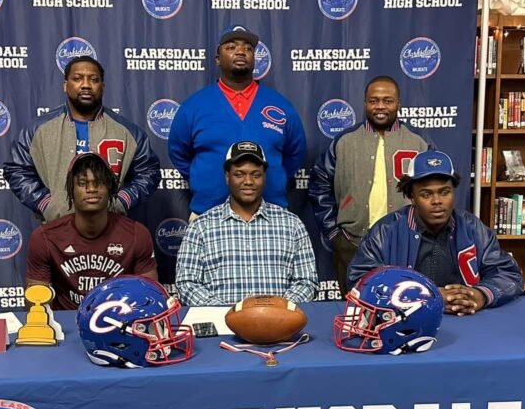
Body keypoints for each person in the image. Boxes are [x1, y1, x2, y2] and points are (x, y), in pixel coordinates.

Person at [348, 150, 523, 315]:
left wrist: (481, 295)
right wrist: (426, 296)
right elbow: (360, 281)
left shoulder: (473, 228)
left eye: (444, 192)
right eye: (426, 194)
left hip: (465, 320)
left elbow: (509, 275)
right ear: (411, 197)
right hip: (409, 321)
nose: (437, 201)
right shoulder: (386, 231)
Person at [309, 75, 432, 294]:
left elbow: (433, 190)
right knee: (355, 308)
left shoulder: (418, 143)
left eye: (388, 100)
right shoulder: (344, 141)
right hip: (352, 244)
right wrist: (334, 234)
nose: (380, 106)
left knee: (407, 304)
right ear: (365, 103)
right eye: (374, 101)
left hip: (406, 244)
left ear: (398, 104)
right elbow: (319, 185)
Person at [168, 27, 306, 216]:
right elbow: (178, 152)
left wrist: (274, 180)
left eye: (248, 48)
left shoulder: (280, 105)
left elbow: (295, 154)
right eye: (231, 47)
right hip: (208, 214)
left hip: (271, 216)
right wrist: (206, 180)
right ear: (217, 58)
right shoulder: (193, 106)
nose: (241, 51)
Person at [5, 55, 160, 222]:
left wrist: (121, 200)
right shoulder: (37, 130)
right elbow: (17, 169)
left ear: (103, 87)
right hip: (56, 227)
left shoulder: (128, 132)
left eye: (94, 79)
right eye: (77, 78)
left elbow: (148, 172)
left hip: (111, 227)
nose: (86, 85)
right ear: (65, 85)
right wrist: (46, 203)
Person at [175, 141, 317, 306]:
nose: (248, 181)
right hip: (219, 320)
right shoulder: (201, 227)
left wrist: (278, 309)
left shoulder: (292, 225)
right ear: (227, 177)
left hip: (278, 319)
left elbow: (307, 281)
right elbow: (186, 283)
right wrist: (225, 312)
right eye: (239, 174)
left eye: (256, 174)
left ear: (264, 177)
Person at [26, 152, 158, 310]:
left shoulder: (137, 234)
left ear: (110, 188)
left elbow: (150, 297)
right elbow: (36, 303)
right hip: (67, 320)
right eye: (83, 183)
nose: (91, 189)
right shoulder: (45, 238)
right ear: (71, 191)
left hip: (118, 318)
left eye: (99, 183)